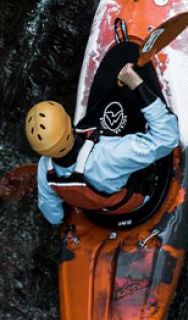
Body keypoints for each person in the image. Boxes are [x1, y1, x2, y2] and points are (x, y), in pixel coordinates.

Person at [25, 64, 179, 225]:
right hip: (140, 202)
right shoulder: (108, 153)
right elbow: (168, 138)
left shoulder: (45, 169)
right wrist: (135, 84)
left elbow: (54, 217)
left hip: (100, 212)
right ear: (68, 123)